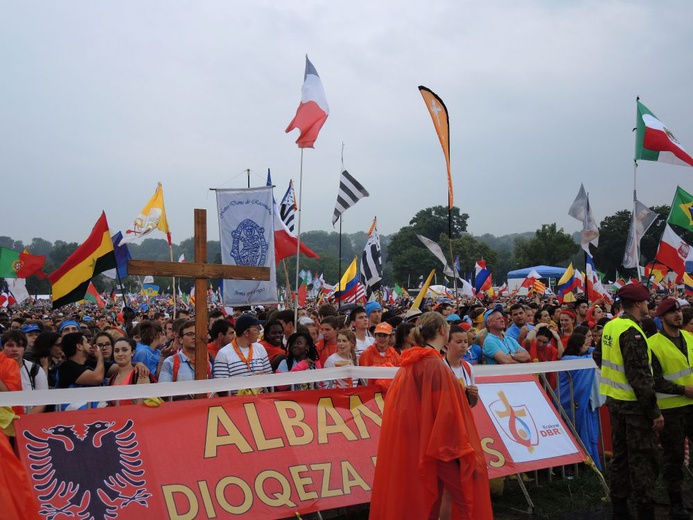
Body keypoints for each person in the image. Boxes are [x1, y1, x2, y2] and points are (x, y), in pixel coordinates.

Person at [370, 312, 492, 519]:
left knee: (431, 501)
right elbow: (445, 414)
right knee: (465, 498)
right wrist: (460, 451)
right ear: (443, 331)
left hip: (422, 445)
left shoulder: (412, 363)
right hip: (441, 447)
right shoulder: (434, 365)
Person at [600, 283, 663, 520]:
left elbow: (599, 356)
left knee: (621, 457)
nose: (648, 305)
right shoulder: (632, 332)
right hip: (634, 407)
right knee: (642, 461)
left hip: (615, 403)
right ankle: (645, 510)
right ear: (638, 304)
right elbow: (639, 376)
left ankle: (620, 509)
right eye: (646, 301)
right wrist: (654, 412)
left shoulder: (611, 326)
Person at [647, 298, 693, 520]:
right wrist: (683, 389)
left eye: (679, 311)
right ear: (661, 317)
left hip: (692, 405)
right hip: (671, 409)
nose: (678, 314)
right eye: (672, 312)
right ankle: (675, 502)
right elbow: (654, 380)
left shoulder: (689, 338)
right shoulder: (653, 344)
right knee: (673, 458)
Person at [557, 332, 601, 470]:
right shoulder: (569, 360)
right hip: (570, 403)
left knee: (590, 433)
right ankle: (574, 467)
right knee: (572, 435)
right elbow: (593, 359)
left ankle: (589, 464)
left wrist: (590, 348)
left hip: (585, 403)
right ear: (577, 344)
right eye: (585, 340)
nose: (589, 342)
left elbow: (595, 353)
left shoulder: (585, 356)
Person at [213, 314, 271, 390]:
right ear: (246, 333)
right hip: (237, 400)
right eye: (256, 329)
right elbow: (220, 386)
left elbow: (270, 375)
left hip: (260, 399)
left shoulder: (260, 348)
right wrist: (250, 382)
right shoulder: (223, 354)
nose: (259, 332)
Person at [1, 330, 48, 414]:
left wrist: (23, 421)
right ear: (2, 347)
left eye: (19, 345)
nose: (15, 349)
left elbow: (42, 402)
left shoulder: (35, 369)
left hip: (28, 420)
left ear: (24, 348)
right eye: (10, 345)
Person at [107, 337, 154, 405]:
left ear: (133, 352)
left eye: (124, 350)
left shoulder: (141, 375)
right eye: (116, 351)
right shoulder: (111, 379)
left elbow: (141, 407)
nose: (120, 354)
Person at [445, 325, 478, 407]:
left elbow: (471, 404)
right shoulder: (439, 366)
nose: (463, 345)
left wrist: (474, 395)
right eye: (459, 342)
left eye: (466, 342)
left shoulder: (468, 367)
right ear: (447, 344)